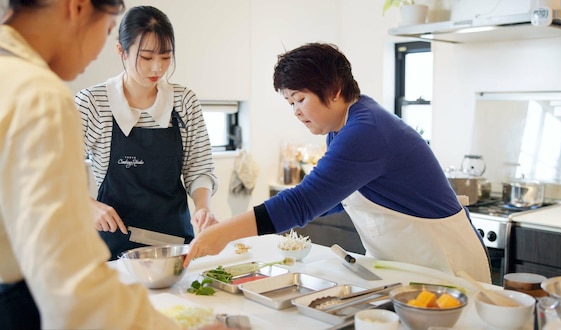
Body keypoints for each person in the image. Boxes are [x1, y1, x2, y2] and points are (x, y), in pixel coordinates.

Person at [183, 42, 491, 283]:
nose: (296, 112)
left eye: (300, 99)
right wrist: (260, 216)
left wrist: (222, 233)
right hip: (409, 269)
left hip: (446, 269)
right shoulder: (342, 129)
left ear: (334, 90)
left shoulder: (365, 131)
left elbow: (303, 202)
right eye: (290, 103)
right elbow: (329, 198)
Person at [0, 0, 182, 328]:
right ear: (77, 7)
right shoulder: (39, 96)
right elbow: (72, 284)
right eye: (108, 27)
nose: (100, 50)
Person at [74, 5, 218, 259]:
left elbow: (198, 167)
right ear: (121, 51)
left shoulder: (184, 101)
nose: (157, 69)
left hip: (174, 245)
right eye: (147, 57)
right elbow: (56, 169)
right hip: (112, 247)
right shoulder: (92, 103)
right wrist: (88, 206)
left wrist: (202, 207)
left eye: (165, 57)